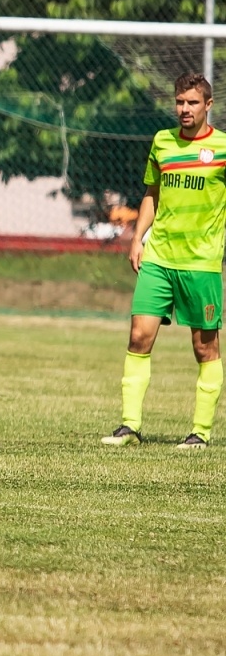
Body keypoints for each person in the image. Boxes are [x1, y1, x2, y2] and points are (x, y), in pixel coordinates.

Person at [102, 73, 226, 450]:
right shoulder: (163, 142)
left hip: (201, 263)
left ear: (208, 105)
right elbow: (152, 194)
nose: (184, 109)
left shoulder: (222, 147)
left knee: (205, 348)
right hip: (159, 256)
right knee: (139, 337)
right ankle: (129, 427)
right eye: (179, 101)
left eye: (191, 102)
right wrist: (137, 239)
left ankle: (200, 433)